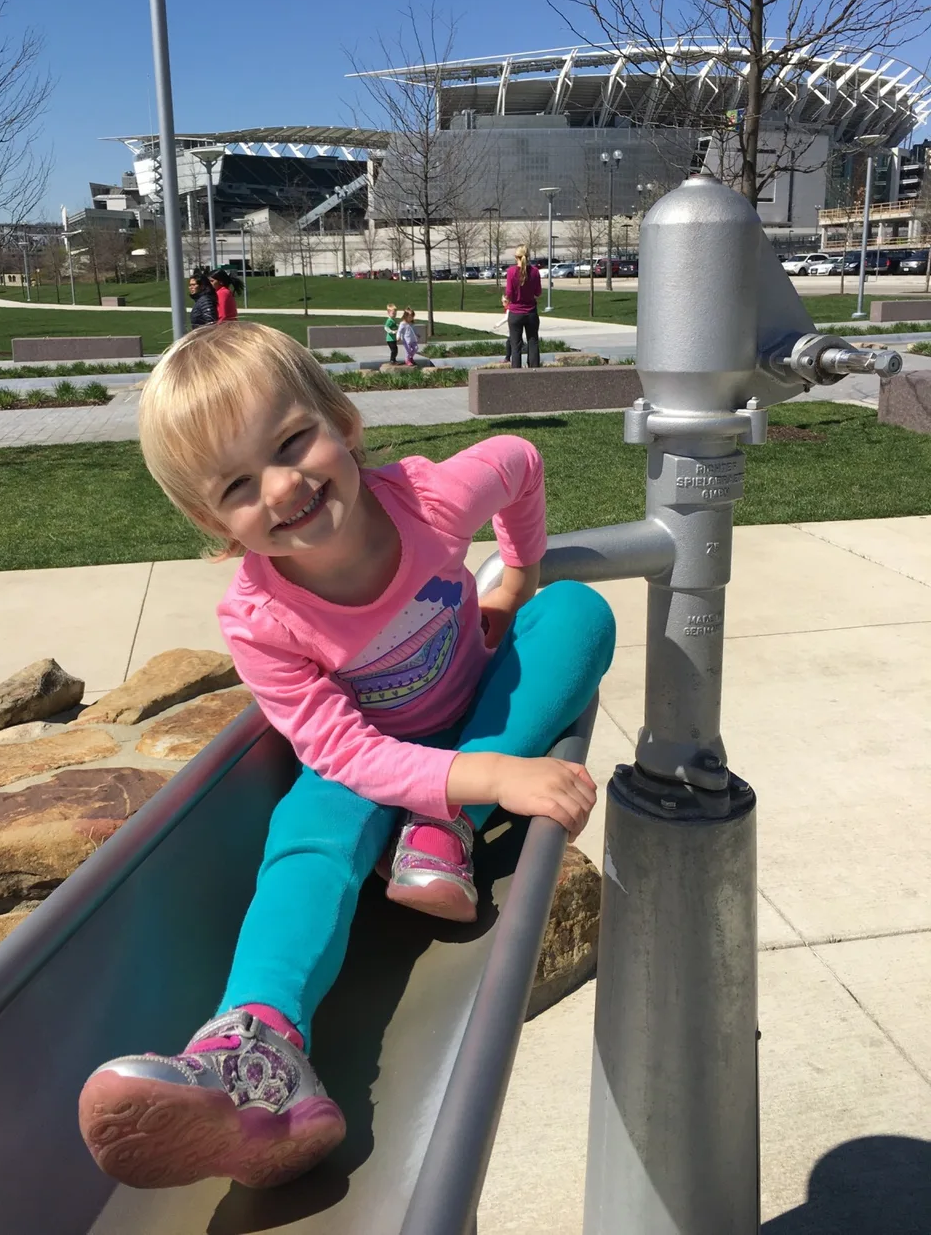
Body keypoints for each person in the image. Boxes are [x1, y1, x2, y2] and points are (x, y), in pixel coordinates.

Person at [77, 323, 615, 1194]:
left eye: (292, 442)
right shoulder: (260, 618)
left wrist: (516, 574)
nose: (284, 486)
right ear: (216, 525)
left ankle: (443, 828)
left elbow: (519, 459)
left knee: (577, 615)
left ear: (342, 418)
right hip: (371, 762)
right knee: (308, 838)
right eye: (239, 486)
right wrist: (486, 782)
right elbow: (343, 750)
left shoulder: (431, 498)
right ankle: (258, 1054)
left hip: (480, 709)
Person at [503, 246, 542, 368]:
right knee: (533, 342)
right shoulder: (535, 272)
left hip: (515, 312)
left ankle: (517, 373)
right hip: (531, 312)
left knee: (516, 345)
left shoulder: (511, 272)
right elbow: (538, 292)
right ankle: (534, 370)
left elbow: (509, 293)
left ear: (516, 257)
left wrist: (506, 300)